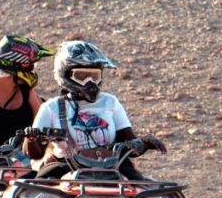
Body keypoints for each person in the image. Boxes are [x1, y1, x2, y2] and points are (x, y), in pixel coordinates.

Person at [24, 40, 164, 179]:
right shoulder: (51, 107)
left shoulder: (110, 102)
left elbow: (130, 147)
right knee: (34, 191)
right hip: (66, 164)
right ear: (65, 74)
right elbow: (35, 154)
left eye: (95, 76)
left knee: (145, 192)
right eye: (82, 76)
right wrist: (31, 139)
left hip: (112, 164)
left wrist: (144, 142)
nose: (90, 82)